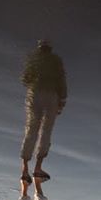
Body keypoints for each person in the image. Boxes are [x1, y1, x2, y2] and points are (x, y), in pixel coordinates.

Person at [20, 39, 67, 183]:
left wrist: (34, 82)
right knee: (46, 130)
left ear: (40, 47)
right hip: (51, 95)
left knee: (31, 129)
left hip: (35, 93)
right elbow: (61, 81)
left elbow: (24, 79)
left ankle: (25, 169)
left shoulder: (32, 58)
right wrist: (62, 101)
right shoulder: (56, 60)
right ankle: (38, 168)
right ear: (50, 48)